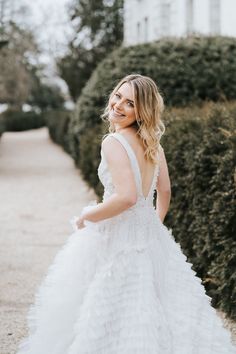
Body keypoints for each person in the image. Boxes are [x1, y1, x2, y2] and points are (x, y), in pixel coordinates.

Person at [17, 74, 235, 354]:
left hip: (118, 236)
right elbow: (165, 192)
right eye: (118, 95)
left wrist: (89, 216)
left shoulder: (114, 142)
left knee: (108, 305)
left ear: (141, 111)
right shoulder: (153, 144)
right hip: (151, 236)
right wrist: (153, 223)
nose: (118, 105)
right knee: (164, 305)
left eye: (129, 103)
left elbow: (127, 197)